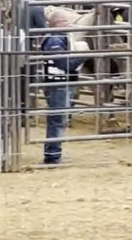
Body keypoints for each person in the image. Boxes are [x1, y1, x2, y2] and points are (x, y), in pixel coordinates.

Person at [40, 11, 84, 165]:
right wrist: (82, 56)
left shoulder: (58, 38)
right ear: (57, 23)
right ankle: (52, 154)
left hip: (58, 83)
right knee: (57, 120)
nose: (68, 24)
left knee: (58, 119)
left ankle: (54, 152)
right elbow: (64, 64)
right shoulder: (55, 40)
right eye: (65, 21)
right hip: (57, 83)